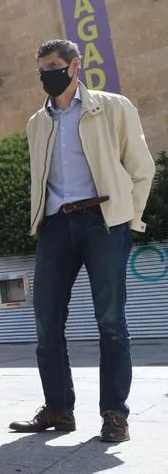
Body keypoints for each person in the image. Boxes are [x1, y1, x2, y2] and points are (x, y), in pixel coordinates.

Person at [9, 39, 155, 443]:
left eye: (53, 66)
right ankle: (58, 409)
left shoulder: (112, 106)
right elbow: (40, 180)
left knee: (110, 321)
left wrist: (129, 219)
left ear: (75, 66)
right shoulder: (36, 123)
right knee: (46, 322)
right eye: (40, 69)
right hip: (56, 227)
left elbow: (141, 168)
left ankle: (115, 414)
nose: (46, 75)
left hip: (104, 221)